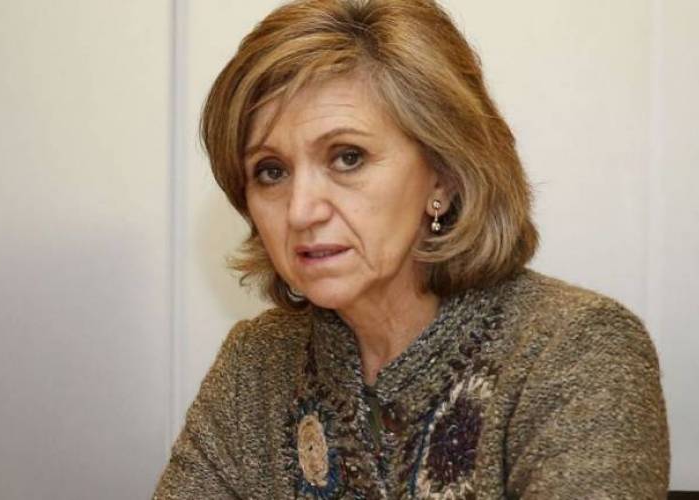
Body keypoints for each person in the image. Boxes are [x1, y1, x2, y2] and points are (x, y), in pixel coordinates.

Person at [154, 0, 669, 498]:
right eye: (271, 172)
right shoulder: (255, 366)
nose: (300, 211)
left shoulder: (574, 348)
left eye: (347, 158)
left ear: (443, 176)